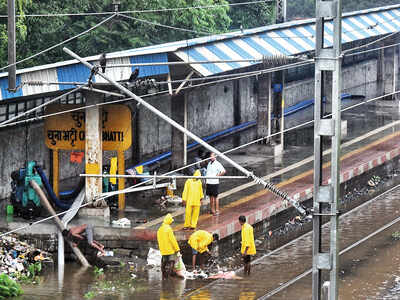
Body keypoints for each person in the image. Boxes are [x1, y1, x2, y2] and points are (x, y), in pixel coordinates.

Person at [157, 213, 181, 279]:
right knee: (172, 261)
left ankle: (163, 274)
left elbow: (158, 239)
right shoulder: (168, 229)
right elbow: (172, 240)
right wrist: (177, 249)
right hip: (169, 249)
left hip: (162, 249)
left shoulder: (160, 229)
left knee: (164, 261)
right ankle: (170, 275)